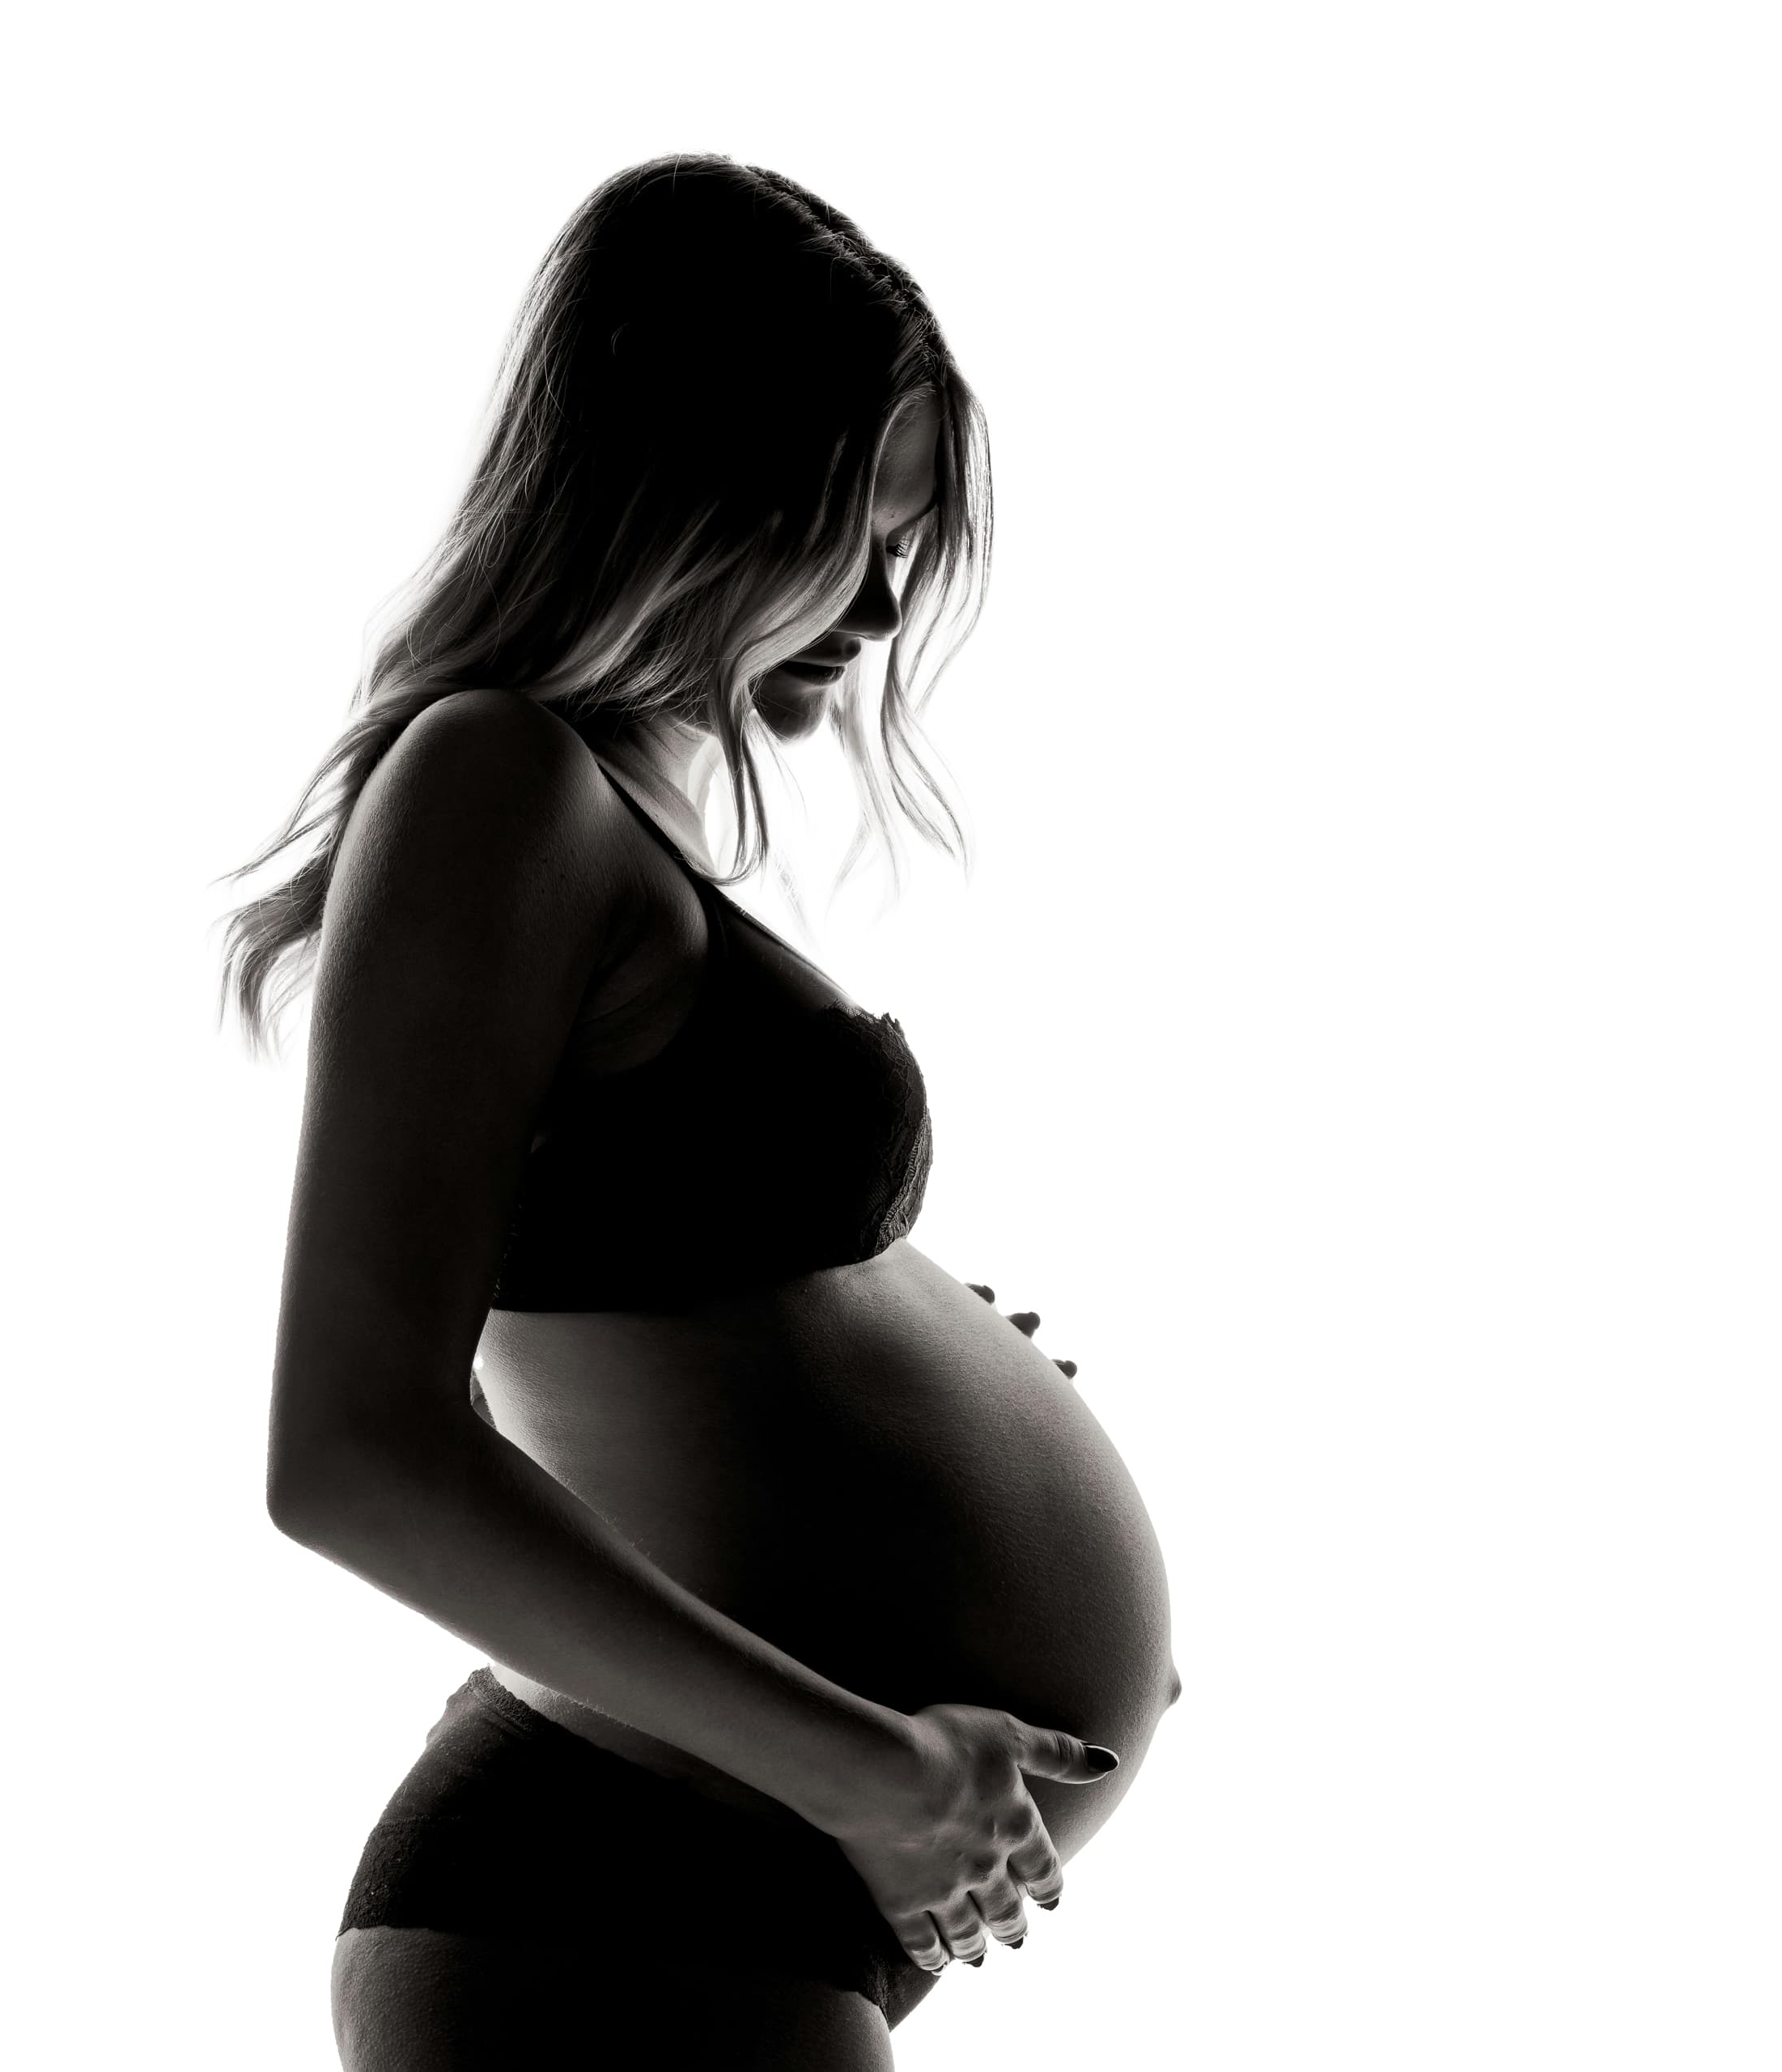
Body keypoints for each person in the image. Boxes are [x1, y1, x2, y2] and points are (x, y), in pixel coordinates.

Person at [219, 154, 1181, 2071]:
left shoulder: (621, 810)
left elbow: (579, 1319)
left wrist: (865, 1380)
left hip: (714, 1886)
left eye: (915, 543)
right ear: (689, 492)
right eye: (853, 530)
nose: (893, 600)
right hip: (611, 1886)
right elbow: (347, 1444)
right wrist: (879, 1759)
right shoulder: (493, 780)